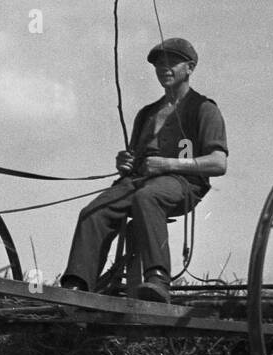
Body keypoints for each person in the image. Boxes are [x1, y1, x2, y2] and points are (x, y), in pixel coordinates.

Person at [59, 37, 227, 303]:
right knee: (93, 211)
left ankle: (158, 280)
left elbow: (218, 163)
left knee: (147, 197)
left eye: (173, 62)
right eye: (159, 64)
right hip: (140, 180)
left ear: (190, 67)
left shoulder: (204, 109)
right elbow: (136, 160)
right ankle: (76, 287)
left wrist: (168, 163)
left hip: (183, 183)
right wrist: (125, 163)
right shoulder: (147, 113)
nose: (164, 68)